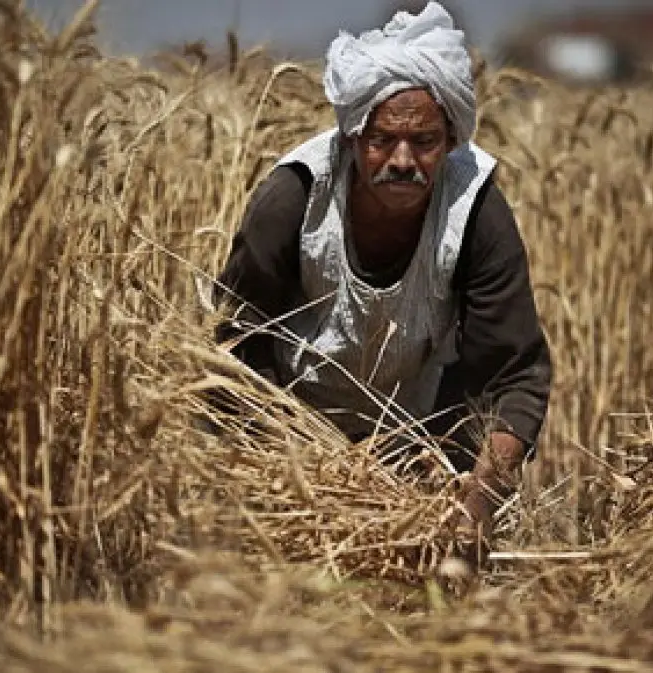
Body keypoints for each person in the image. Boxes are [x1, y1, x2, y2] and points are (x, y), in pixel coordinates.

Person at [210, 2, 552, 561]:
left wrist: (476, 502)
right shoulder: (295, 197)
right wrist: (288, 473)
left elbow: (513, 374)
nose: (401, 159)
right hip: (287, 458)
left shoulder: (476, 209)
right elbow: (235, 346)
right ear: (350, 137)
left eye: (423, 142)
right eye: (382, 139)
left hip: (417, 458)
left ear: (450, 142)